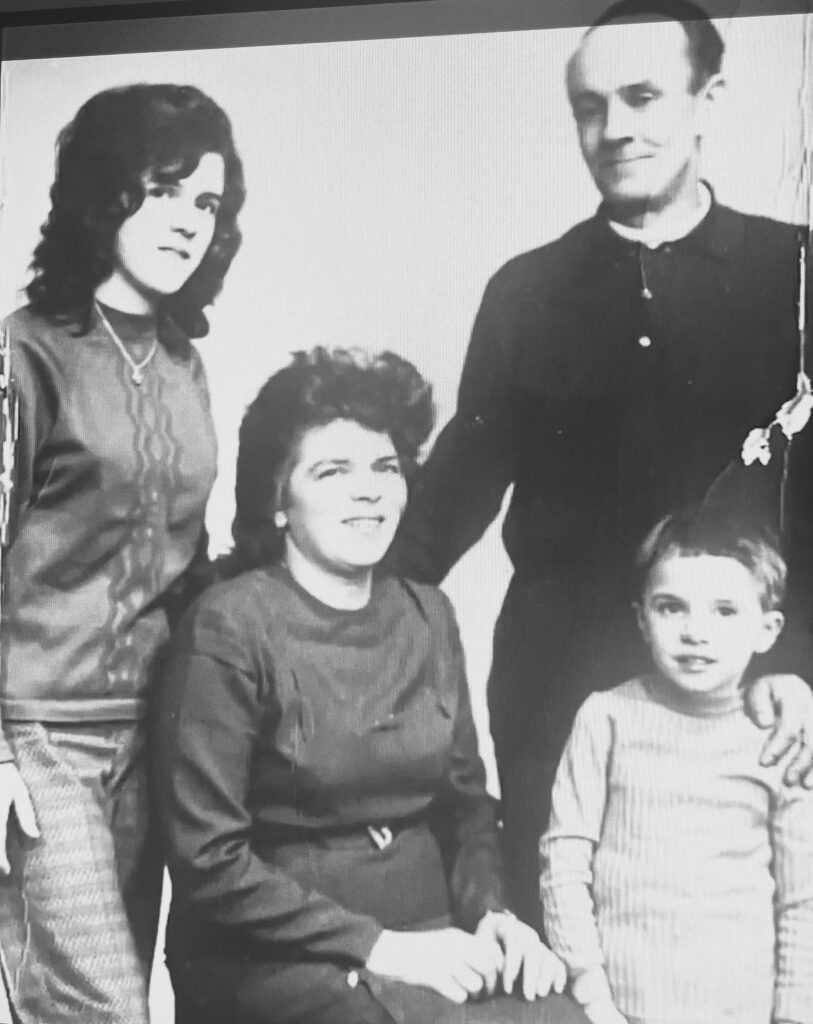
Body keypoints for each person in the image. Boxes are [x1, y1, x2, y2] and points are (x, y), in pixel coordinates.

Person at [392, 0, 813, 928]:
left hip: (745, 685)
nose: (614, 127)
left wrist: (799, 662)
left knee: (731, 946)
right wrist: (313, 609)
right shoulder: (526, 290)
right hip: (556, 687)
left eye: (642, 97)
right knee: (562, 939)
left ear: (708, 100)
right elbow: (452, 494)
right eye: (590, 107)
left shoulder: (794, 273)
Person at [152, 347, 581, 1024]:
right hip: (272, 954)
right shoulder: (228, 625)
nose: (369, 491)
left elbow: (466, 807)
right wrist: (379, 947)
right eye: (332, 471)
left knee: (557, 1017)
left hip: (428, 929)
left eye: (386, 468)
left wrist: (493, 914)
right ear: (277, 501)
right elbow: (207, 861)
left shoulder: (428, 615)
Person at [0, 83, 245, 1024]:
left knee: (135, 994)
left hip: (152, 737)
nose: (187, 221)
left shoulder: (184, 364)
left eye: (206, 202)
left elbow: (191, 560)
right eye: (162, 189)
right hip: (40, 739)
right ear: (102, 192)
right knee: (95, 1009)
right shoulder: (26, 353)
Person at [540, 508, 813, 1024]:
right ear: (642, 620)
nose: (695, 632)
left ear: (767, 629)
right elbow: (564, 862)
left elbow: (804, 899)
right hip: (616, 1010)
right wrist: (591, 991)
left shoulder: (780, 738)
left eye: (725, 611)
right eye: (671, 608)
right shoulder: (606, 718)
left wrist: (794, 1015)